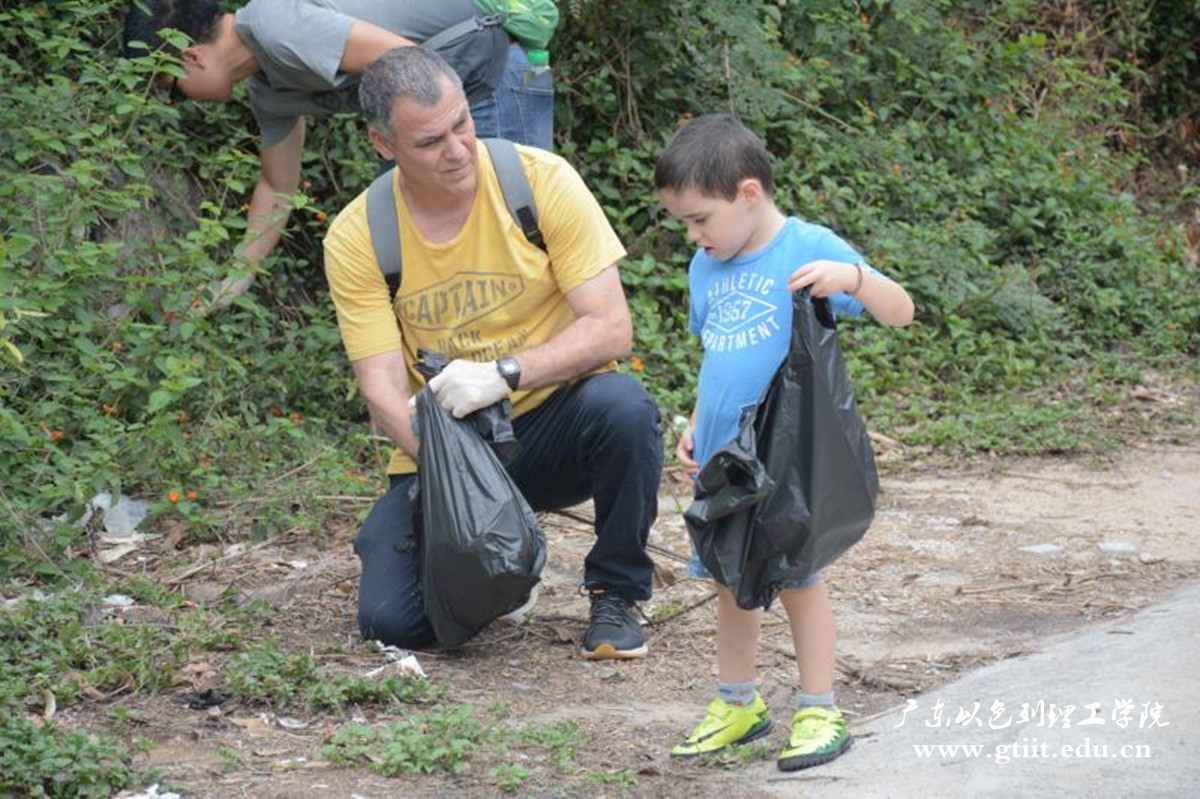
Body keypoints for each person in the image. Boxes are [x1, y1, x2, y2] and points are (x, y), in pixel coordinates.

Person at [322, 47, 663, 660]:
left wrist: (506, 374)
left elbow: (611, 328)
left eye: (462, 123)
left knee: (625, 408)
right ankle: (506, 573)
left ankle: (616, 591)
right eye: (430, 142)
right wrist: (463, 486)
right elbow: (380, 387)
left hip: (552, 422)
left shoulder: (538, 181)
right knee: (391, 622)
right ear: (384, 144)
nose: (457, 150)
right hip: (448, 447)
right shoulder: (359, 235)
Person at [654, 114, 914, 770]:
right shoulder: (706, 265)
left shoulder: (806, 247)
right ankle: (738, 703)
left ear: (749, 193)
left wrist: (853, 279)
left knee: (800, 580)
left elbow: (902, 310)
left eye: (700, 219)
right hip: (725, 464)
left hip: (786, 462)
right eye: (684, 223)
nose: (693, 235)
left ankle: (820, 706)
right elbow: (719, 357)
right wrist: (696, 421)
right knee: (728, 579)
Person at [123, 0, 556, 310]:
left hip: (482, 78)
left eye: (172, 91)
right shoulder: (268, 88)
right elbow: (277, 186)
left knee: (504, 253)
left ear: (191, 58)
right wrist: (235, 278)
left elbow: (412, 65)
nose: (182, 102)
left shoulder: (276, 25)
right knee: (423, 256)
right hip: (437, 102)